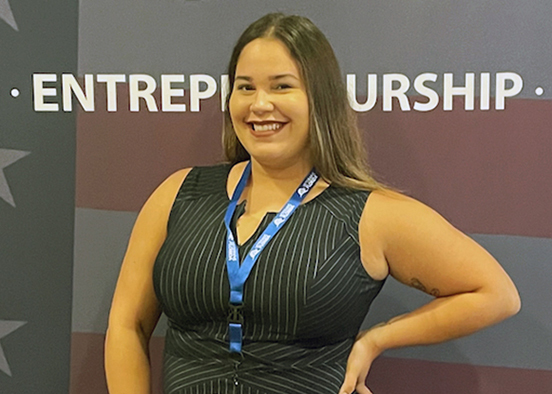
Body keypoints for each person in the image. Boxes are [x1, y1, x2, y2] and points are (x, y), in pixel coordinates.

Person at [104, 13, 520, 394]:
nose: (259, 103)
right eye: (245, 87)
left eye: (281, 86)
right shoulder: (178, 194)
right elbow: (128, 324)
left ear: (320, 98)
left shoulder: (369, 214)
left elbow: (495, 294)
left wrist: (377, 339)